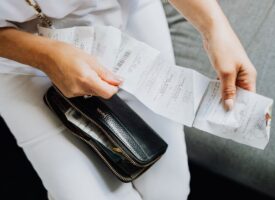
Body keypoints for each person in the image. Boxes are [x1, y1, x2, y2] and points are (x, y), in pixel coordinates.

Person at [0, 0, 257, 199]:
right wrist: (45, 56)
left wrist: (214, 27)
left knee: (169, 192)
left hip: (117, 13)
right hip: (14, 47)